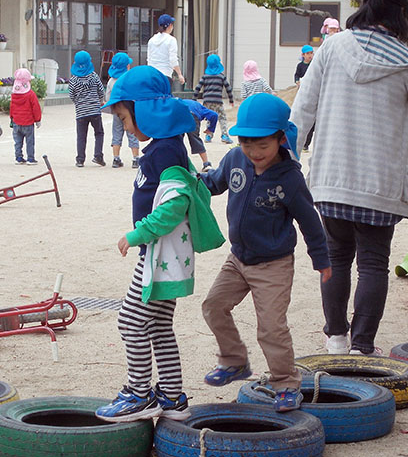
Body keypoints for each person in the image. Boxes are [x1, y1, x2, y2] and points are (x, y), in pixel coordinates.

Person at [291, 0, 408, 356]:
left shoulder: (333, 46)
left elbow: (303, 108)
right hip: (380, 184)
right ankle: (362, 345)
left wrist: (289, 158)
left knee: (336, 257)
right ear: (401, 15)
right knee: (373, 263)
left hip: (331, 177)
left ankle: (336, 338)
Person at [95, 65, 224, 422]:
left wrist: (136, 234)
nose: (124, 124)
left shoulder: (164, 153)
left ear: (144, 109)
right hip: (164, 255)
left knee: (130, 320)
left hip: (159, 256)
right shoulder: (163, 148)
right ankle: (171, 396)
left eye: (124, 116)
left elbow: (174, 205)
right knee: (157, 325)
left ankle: (139, 394)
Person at [200, 93, 330, 412]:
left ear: (280, 138)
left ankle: (285, 382)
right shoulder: (235, 159)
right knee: (213, 305)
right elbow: (214, 183)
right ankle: (234, 361)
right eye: (247, 143)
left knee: (271, 327)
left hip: (273, 264)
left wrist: (322, 259)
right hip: (238, 259)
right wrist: (190, 181)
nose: (254, 152)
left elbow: (310, 221)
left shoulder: (290, 178)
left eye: (263, 145)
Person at [69, 51, 106, 167]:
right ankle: (98, 156)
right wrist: (100, 101)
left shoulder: (73, 79)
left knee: (81, 136)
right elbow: (101, 90)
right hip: (95, 110)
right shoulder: (94, 76)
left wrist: (78, 103)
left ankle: (80, 159)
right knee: (99, 133)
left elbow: (71, 95)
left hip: (81, 112)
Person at [106, 52, 140, 169]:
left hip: (117, 111)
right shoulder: (131, 79)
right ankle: (135, 159)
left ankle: (116, 158)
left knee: (116, 133)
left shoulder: (111, 81)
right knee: (132, 133)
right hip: (130, 111)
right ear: (127, 66)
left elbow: (107, 98)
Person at [193, 54, 234, 144]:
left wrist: (194, 99)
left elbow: (197, 88)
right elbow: (228, 88)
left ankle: (208, 135)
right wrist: (231, 100)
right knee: (222, 117)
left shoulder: (205, 76)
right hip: (218, 101)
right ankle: (224, 135)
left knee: (210, 117)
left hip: (207, 101)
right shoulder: (221, 76)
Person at [9, 68, 42, 165]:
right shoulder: (31, 94)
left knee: (18, 141)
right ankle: (30, 158)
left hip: (16, 121)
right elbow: (35, 107)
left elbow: (12, 107)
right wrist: (38, 119)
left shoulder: (14, 95)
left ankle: (18, 157)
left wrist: (11, 117)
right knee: (30, 141)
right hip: (28, 121)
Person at [147, 14, 185, 87]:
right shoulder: (171, 40)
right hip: (165, 75)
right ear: (170, 25)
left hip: (152, 75)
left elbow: (149, 59)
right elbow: (173, 59)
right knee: (165, 97)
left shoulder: (151, 40)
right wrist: (179, 74)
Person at [181, 98, 217, 171]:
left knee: (177, 140)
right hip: (193, 116)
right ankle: (206, 163)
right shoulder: (200, 107)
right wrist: (210, 129)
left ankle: (177, 163)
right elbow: (214, 115)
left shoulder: (182, 101)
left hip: (179, 115)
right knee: (195, 139)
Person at [294, 46, 315, 152]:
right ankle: (303, 144)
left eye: (311, 53)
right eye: (308, 53)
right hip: (303, 92)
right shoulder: (300, 66)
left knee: (314, 123)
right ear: (303, 55)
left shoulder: (314, 65)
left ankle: (307, 144)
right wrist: (297, 81)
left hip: (314, 93)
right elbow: (296, 75)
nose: (310, 55)